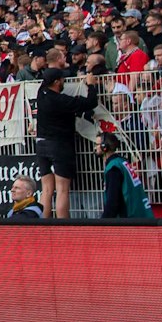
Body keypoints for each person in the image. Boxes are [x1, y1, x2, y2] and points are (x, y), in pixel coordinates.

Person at [34, 67, 99, 219]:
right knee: (62, 189)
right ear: (56, 82)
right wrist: (90, 85)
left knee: (47, 189)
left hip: (41, 143)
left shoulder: (41, 94)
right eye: (62, 80)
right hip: (59, 144)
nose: (64, 82)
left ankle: (43, 224)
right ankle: (63, 226)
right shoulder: (61, 101)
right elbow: (91, 102)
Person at [97, 133, 153, 219]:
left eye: (97, 144)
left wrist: (101, 225)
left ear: (104, 147)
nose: (95, 147)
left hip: (131, 220)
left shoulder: (113, 168)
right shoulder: (121, 162)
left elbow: (112, 204)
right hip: (141, 216)